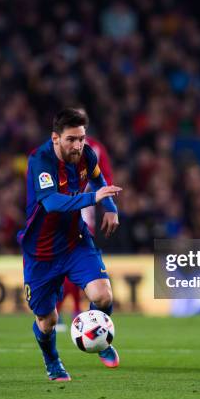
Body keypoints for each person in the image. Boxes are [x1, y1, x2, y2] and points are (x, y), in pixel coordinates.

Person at [17, 108, 122, 381]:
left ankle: (99, 337)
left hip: (75, 241)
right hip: (40, 252)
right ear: (55, 138)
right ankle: (52, 361)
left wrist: (110, 207)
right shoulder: (40, 160)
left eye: (82, 139)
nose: (77, 146)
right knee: (47, 321)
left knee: (103, 296)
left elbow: (99, 178)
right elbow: (52, 203)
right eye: (71, 139)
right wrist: (94, 199)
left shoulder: (87, 154)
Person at [56, 136, 115, 332]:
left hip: (84, 215)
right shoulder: (50, 155)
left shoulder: (93, 150)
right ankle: (63, 311)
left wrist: (109, 206)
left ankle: (75, 311)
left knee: (78, 269)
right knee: (63, 270)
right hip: (57, 220)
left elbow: (103, 179)